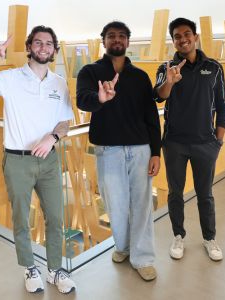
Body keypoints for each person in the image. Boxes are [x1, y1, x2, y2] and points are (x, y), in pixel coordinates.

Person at [0, 25, 76, 294]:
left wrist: (52, 137)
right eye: (38, 43)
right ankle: (30, 267)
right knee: (21, 218)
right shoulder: (11, 78)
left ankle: (54, 269)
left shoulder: (59, 82)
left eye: (49, 43)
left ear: (54, 49)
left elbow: (65, 122)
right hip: (17, 161)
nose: (43, 47)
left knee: (55, 217)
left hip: (49, 160)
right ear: (29, 47)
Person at [77, 21, 161, 281]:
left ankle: (143, 257)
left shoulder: (140, 77)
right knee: (116, 204)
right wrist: (100, 99)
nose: (117, 40)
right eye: (111, 36)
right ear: (103, 41)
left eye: (122, 36)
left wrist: (156, 152)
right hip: (108, 150)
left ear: (128, 42)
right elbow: (82, 99)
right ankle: (123, 247)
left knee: (142, 204)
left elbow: (151, 117)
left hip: (140, 149)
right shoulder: (90, 72)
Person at [154, 17, 225, 261]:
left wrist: (218, 140)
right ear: (173, 41)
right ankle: (178, 236)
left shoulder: (214, 67)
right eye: (177, 36)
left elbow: (222, 105)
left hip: (205, 144)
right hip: (174, 143)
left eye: (187, 34)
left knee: (205, 194)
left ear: (195, 37)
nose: (182, 39)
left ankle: (209, 238)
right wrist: (171, 81)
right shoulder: (166, 68)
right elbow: (159, 97)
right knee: (175, 193)